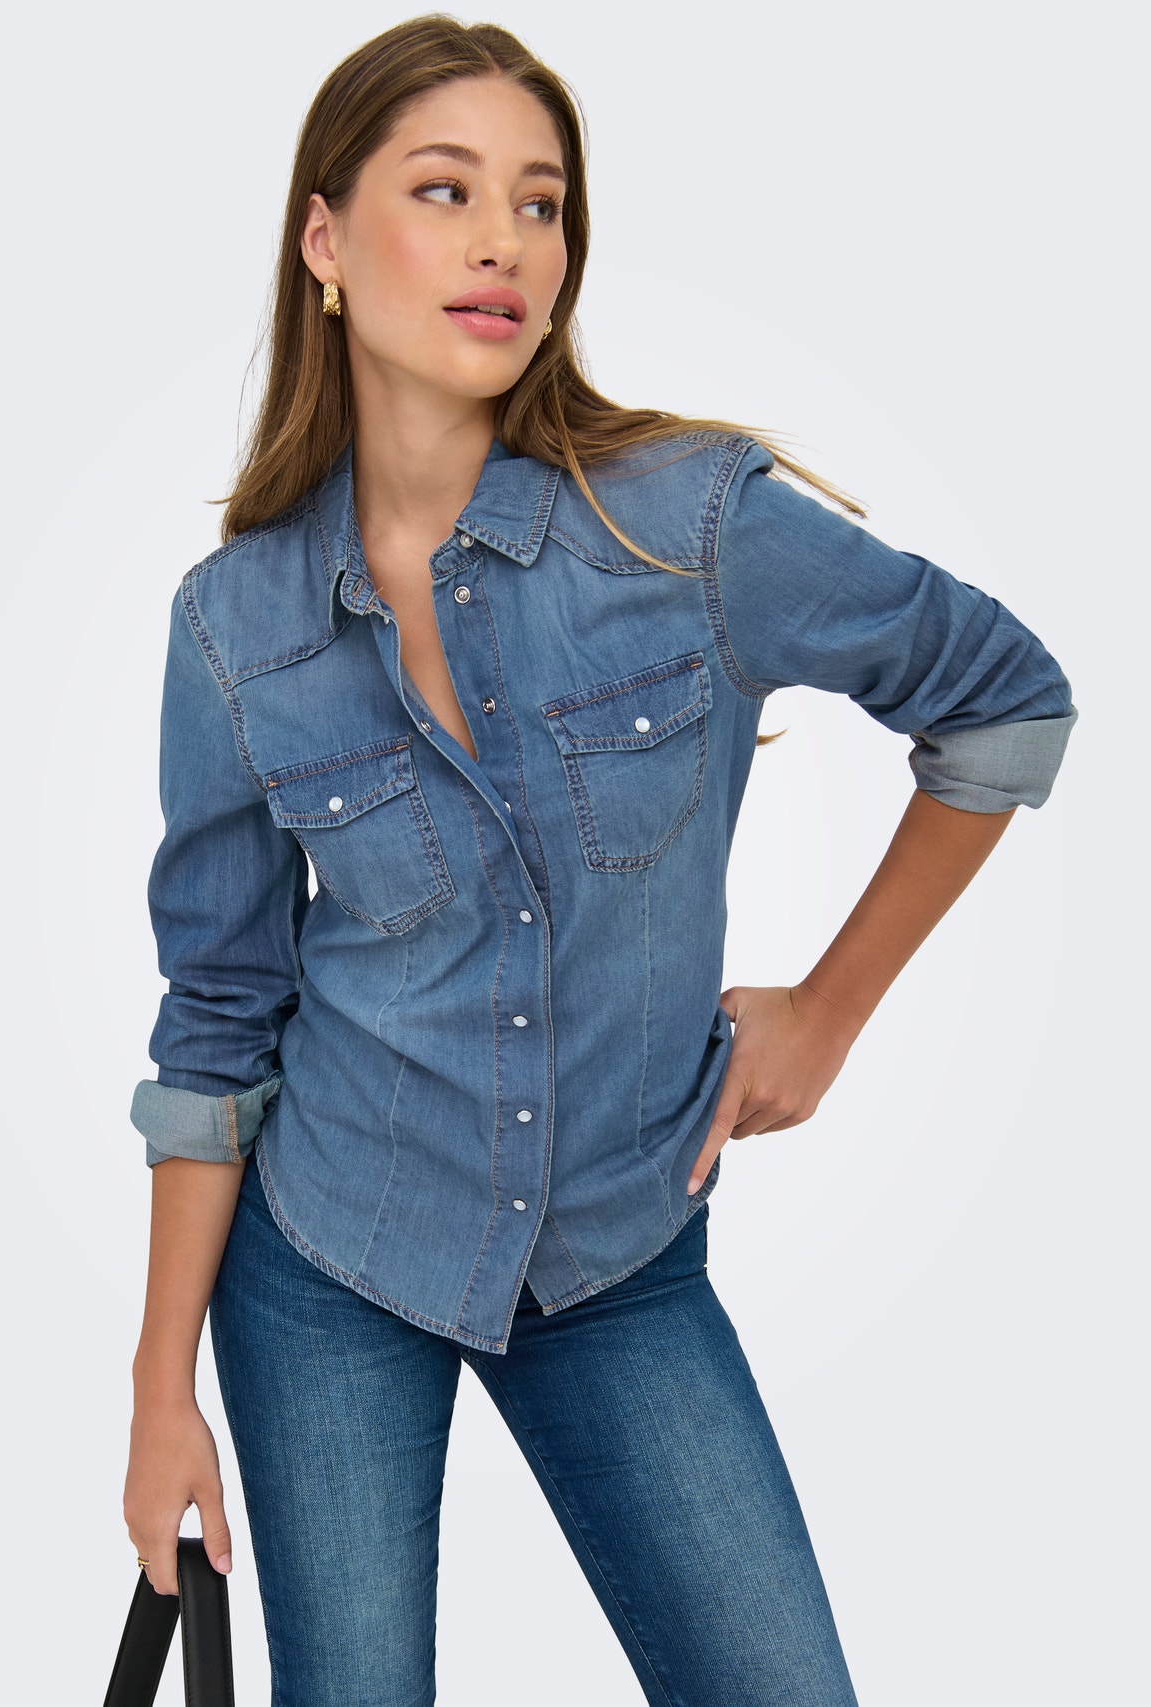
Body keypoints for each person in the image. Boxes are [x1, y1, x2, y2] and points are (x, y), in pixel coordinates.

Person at [122, 16, 1077, 1706]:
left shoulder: (686, 525)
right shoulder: (235, 627)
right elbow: (219, 1022)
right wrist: (158, 1393)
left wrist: (831, 1012)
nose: (504, 240)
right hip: (331, 1262)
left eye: (541, 202)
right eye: (446, 190)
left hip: (619, 1257)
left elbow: (1004, 702)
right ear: (325, 241)